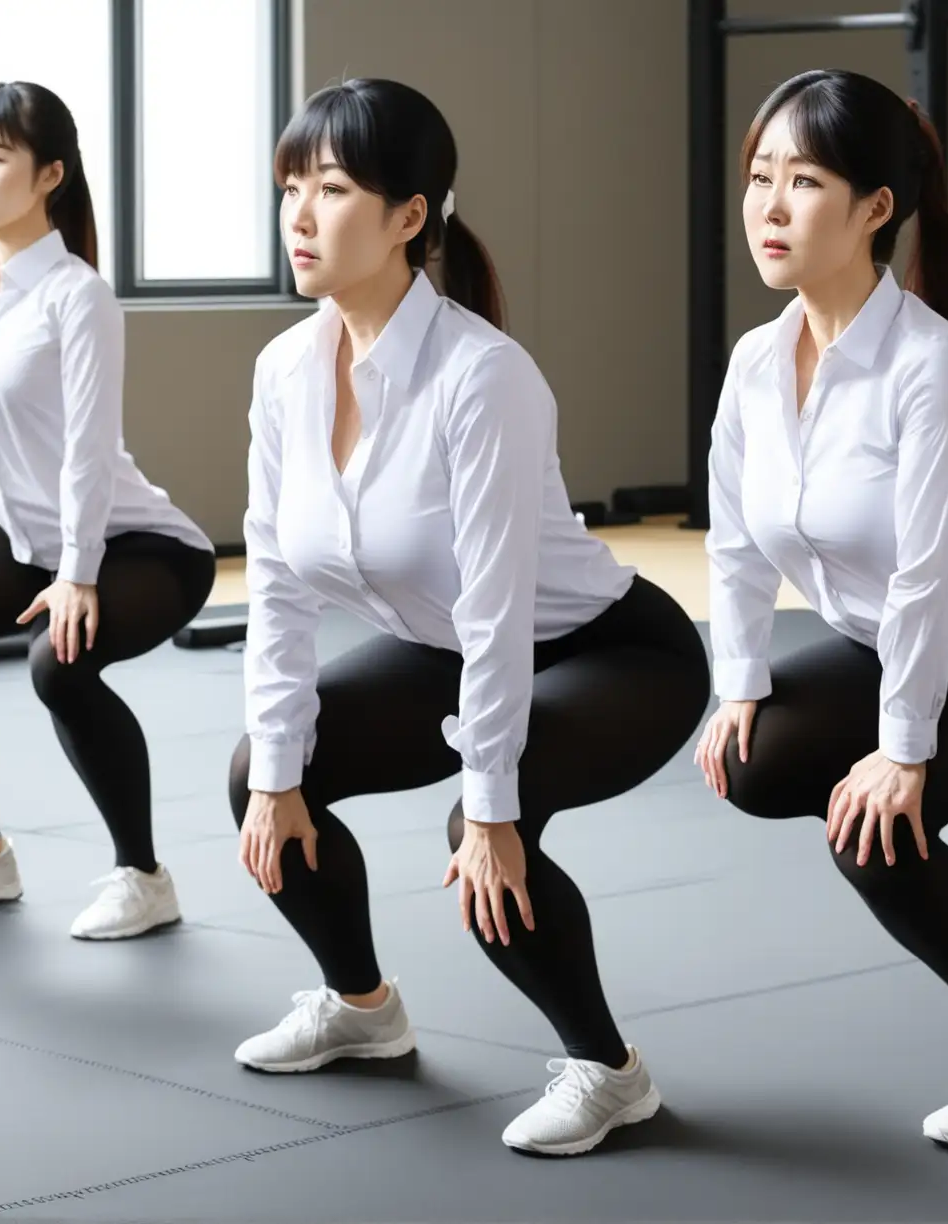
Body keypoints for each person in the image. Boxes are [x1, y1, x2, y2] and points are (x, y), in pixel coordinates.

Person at [226, 79, 710, 1158]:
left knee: (488, 833)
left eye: (334, 189)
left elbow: (498, 613)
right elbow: (277, 586)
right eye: (289, 187)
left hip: (610, 652)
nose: (300, 215)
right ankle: (360, 1008)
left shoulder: (482, 377)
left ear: (412, 218)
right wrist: (276, 768)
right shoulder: (284, 370)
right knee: (264, 772)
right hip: (442, 647)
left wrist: (491, 806)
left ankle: (607, 1071)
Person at [695, 68, 948, 1152]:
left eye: (805, 181)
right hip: (881, 640)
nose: (771, 208)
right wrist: (738, 680)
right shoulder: (754, 363)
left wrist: (902, 750)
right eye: (759, 180)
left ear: (877, 207)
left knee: (875, 831)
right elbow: (736, 542)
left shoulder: (935, 365)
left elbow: (929, 577)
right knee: (753, 764)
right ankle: (898, 791)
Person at [0, 80, 215, 940]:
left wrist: (77, 574)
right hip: (27, 537)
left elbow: (89, 452)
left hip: (135, 544)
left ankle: (143, 876)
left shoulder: (78, 296)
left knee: (58, 663)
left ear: (50, 173)